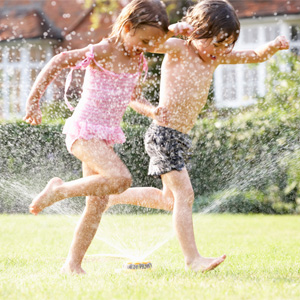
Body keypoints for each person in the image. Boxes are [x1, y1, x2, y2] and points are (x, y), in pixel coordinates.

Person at [107, 0, 290, 272]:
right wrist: (171, 31)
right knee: (185, 195)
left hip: (179, 137)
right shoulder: (179, 48)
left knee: (169, 199)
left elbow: (253, 55)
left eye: (227, 44)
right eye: (216, 43)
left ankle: (110, 196)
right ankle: (192, 259)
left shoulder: (217, 56)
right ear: (194, 33)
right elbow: (147, 43)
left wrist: (272, 47)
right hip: (163, 134)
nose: (221, 51)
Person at [23, 0, 172, 274]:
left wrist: (152, 111)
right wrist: (34, 101)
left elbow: (133, 97)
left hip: (104, 137)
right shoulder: (102, 51)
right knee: (121, 179)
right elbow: (58, 60)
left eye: (151, 44)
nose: (146, 48)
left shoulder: (137, 61)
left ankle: (72, 265)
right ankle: (58, 191)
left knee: (96, 207)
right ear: (127, 27)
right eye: (143, 40)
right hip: (82, 132)